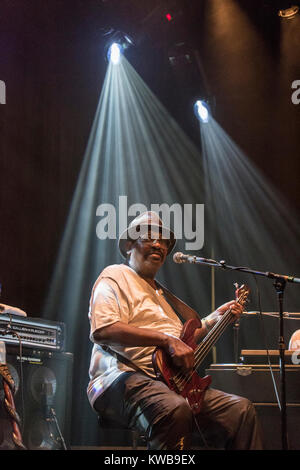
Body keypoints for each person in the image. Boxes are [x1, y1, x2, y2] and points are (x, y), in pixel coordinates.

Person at [87, 211, 262, 450]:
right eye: (150, 237)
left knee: (242, 411)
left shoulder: (162, 296)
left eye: (164, 241)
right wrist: (165, 340)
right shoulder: (115, 275)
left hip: (170, 384)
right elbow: (103, 330)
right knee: (175, 408)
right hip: (121, 379)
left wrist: (214, 319)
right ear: (129, 245)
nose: (159, 244)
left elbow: (181, 343)